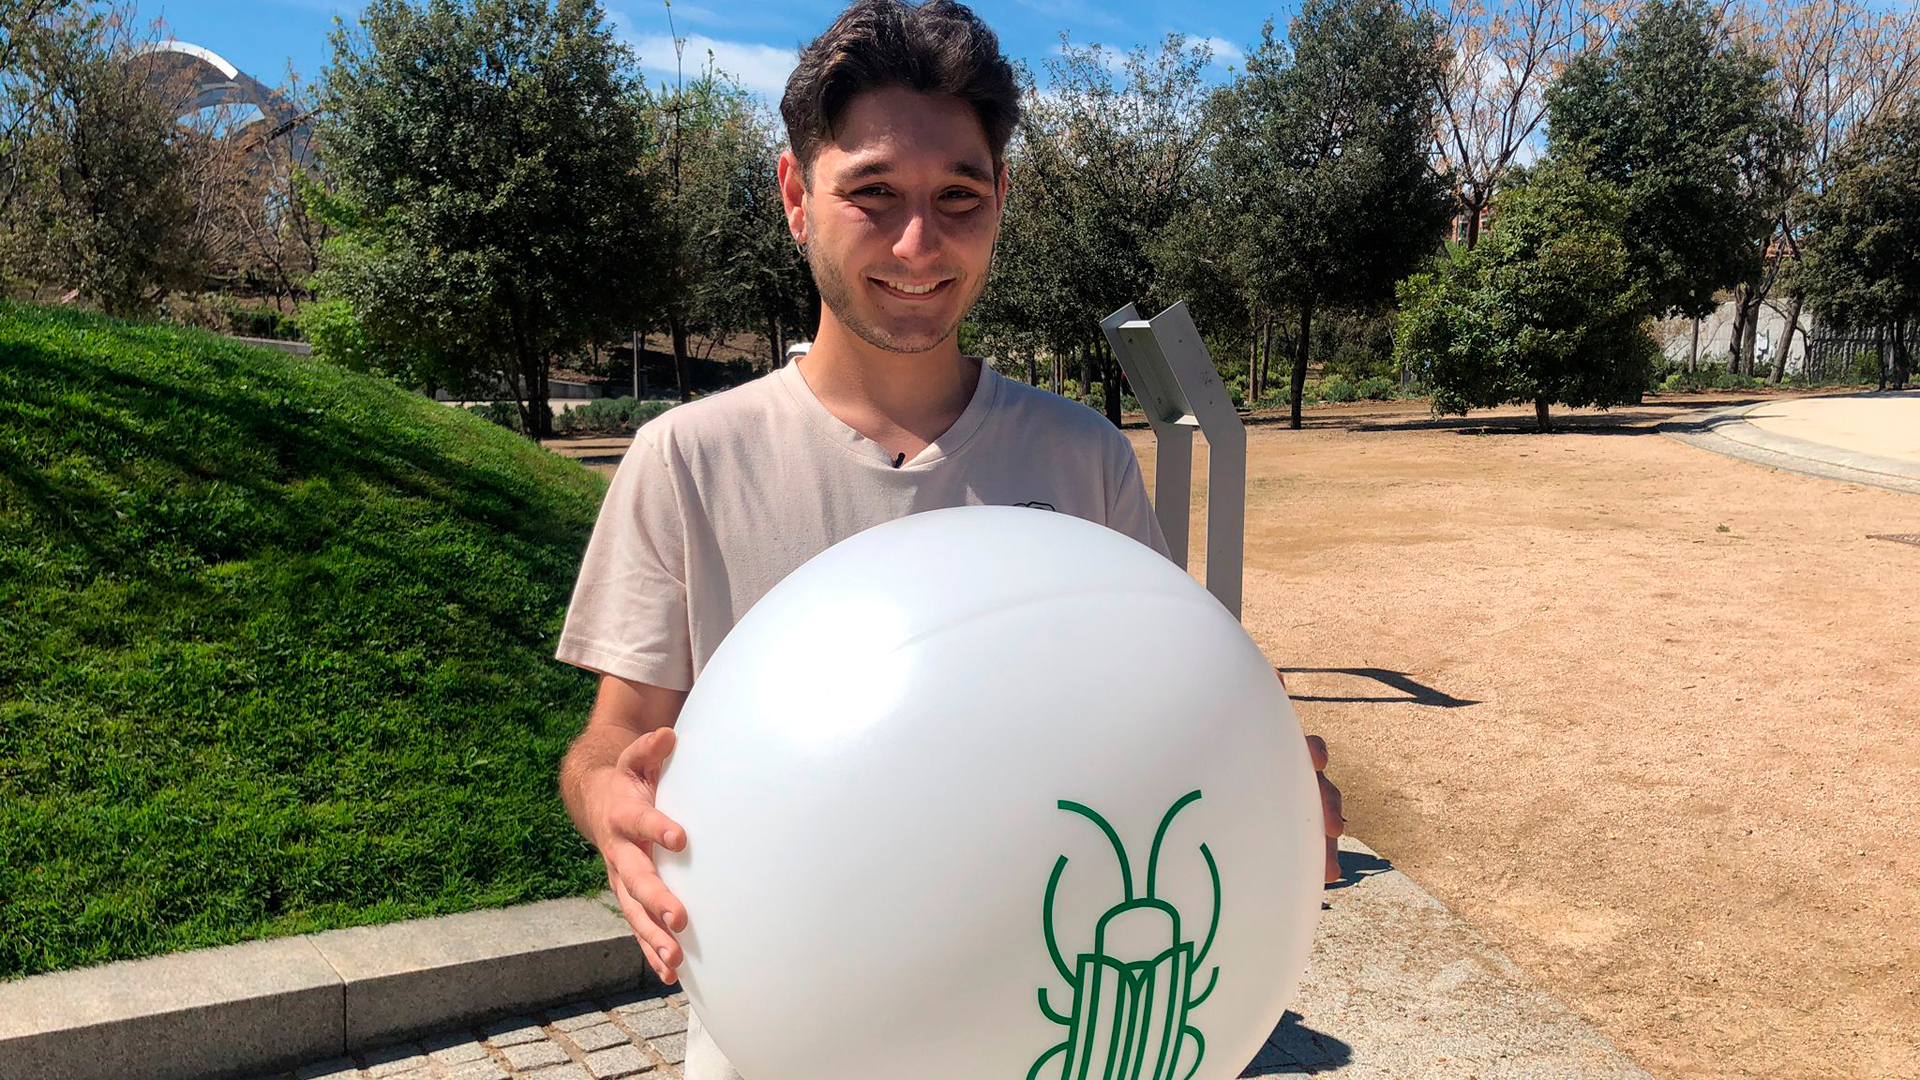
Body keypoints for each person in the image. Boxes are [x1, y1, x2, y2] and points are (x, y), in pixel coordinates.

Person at [554, 2, 1344, 1076]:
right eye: (872, 194)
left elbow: (1157, 719)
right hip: (786, 1042)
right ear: (795, 197)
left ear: (1000, 201)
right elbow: (614, 739)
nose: (918, 244)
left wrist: (1258, 796)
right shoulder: (688, 459)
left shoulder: (1084, 458)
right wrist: (607, 799)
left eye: (958, 198)